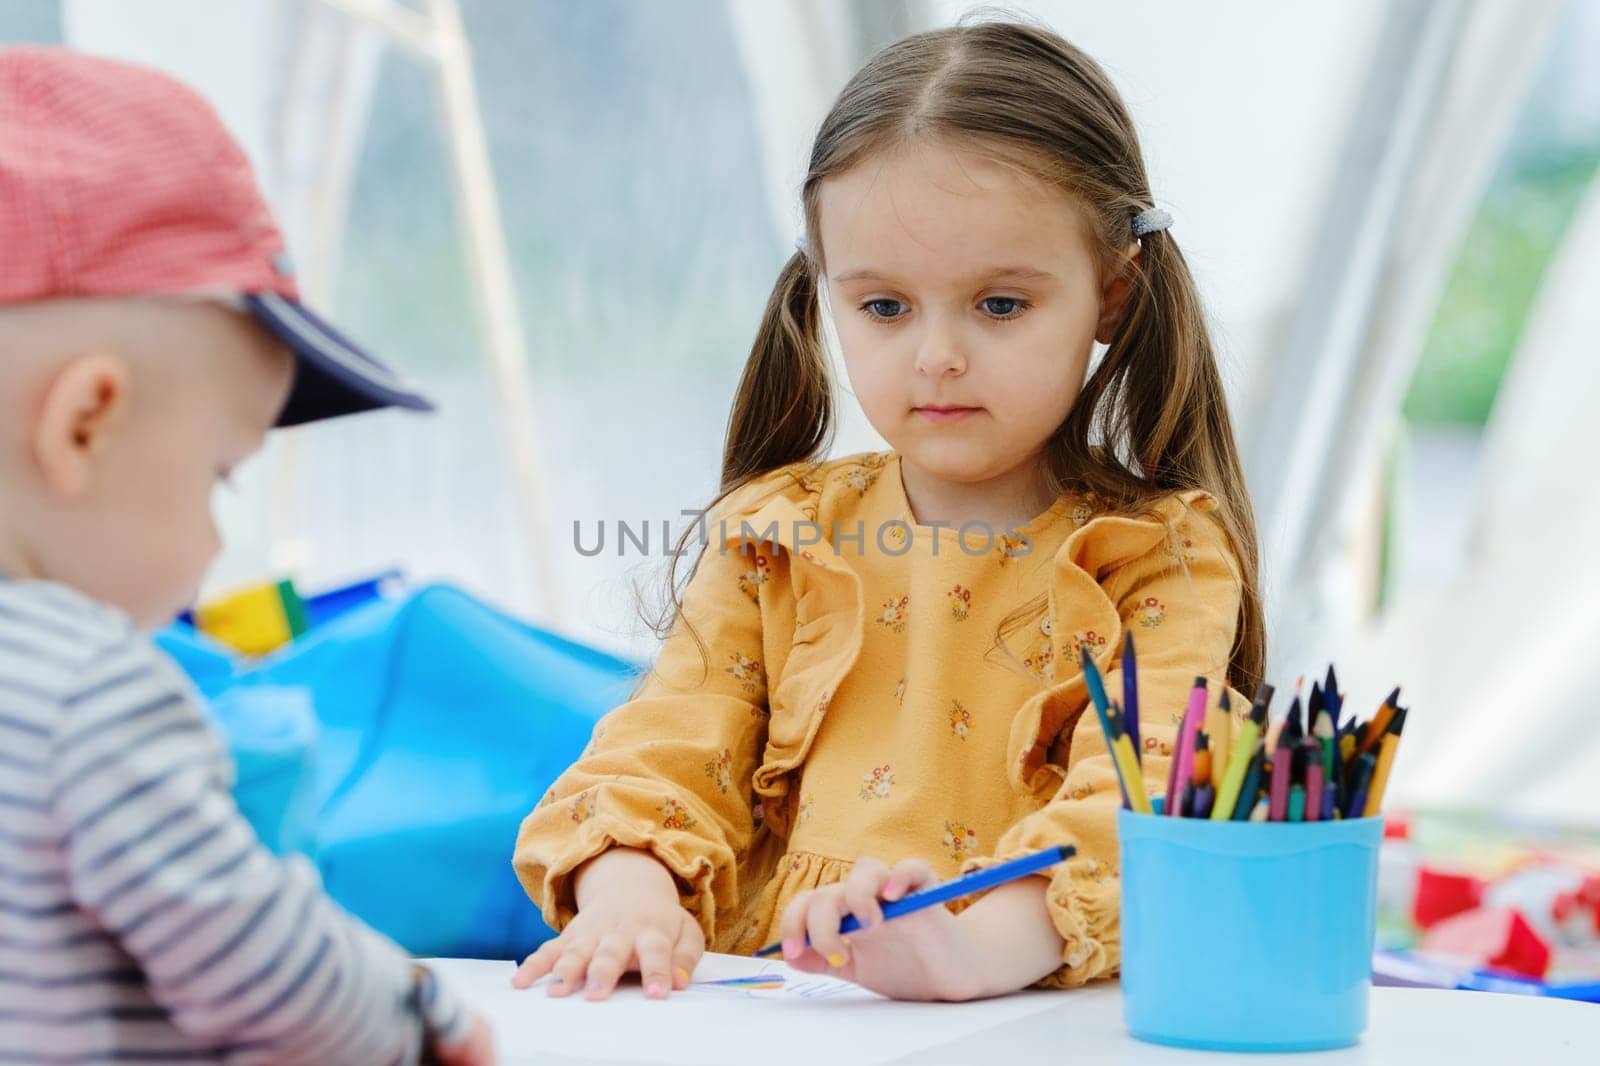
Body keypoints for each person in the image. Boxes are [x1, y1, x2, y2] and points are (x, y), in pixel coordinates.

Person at [512, 17, 1263, 1002]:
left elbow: (1151, 799)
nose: (936, 355)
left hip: (1034, 1019)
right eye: (883, 307)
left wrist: (964, 953)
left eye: (999, 304)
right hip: (788, 1016)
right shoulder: (773, 531)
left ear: (1110, 297)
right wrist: (629, 896)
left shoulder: (1158, 556)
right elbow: (666, 748)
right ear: (826, 291)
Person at [0, 48, 492, 1063]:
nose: (219, 540)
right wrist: (415, 1012)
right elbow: (275, 981)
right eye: (219, 476)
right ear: (84, 425)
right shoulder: (87, 688)